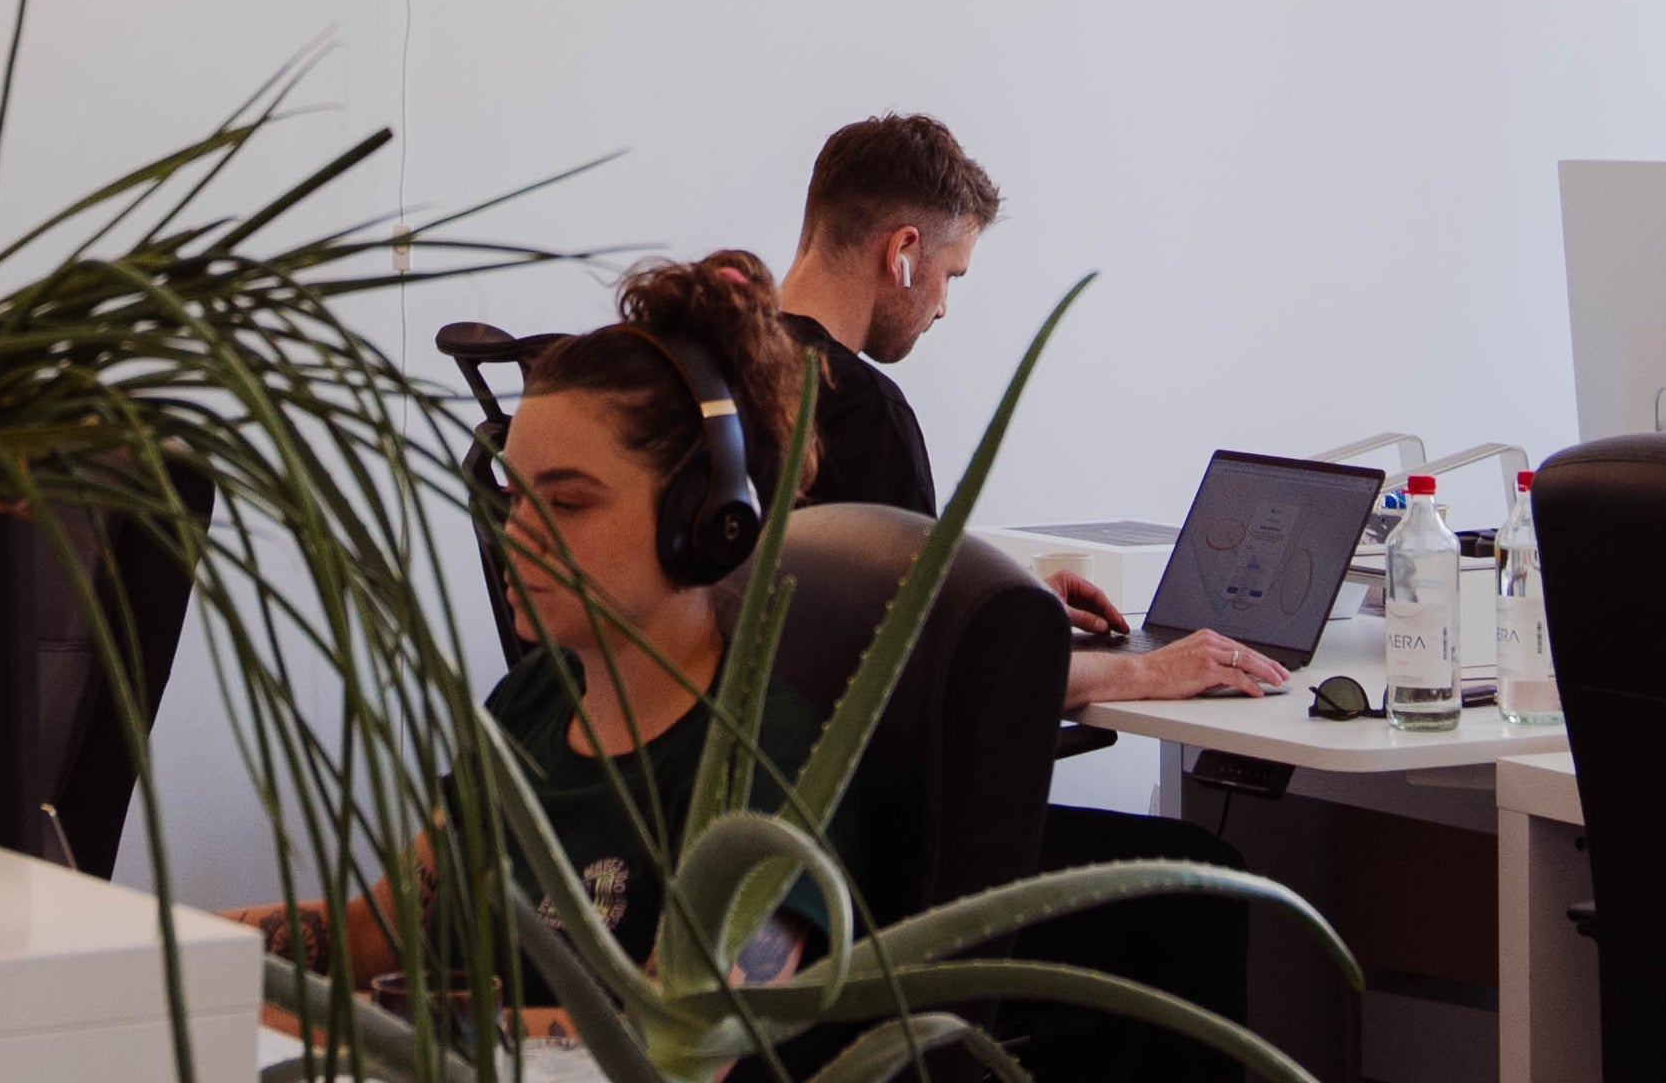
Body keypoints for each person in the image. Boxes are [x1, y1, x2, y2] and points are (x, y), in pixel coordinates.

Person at [250, 253, 827, 977]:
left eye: (568, 503)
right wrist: (161, 943)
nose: (516, 536)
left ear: (705, 520)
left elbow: (678, 1034)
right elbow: (375, 932)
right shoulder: (535, 698)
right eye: (515, 498)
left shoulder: (766, 764)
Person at [770, 113, 1285, 708]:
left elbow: (829, 609)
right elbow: (937, 670)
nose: (942, 307)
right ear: (903, 252)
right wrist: (1150, 672)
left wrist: (1004, 600)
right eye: (950, 275)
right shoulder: (862, 412)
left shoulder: (724, 371)